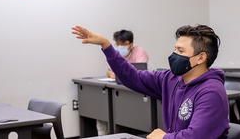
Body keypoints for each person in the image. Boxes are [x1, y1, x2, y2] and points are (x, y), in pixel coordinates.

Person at [71, 24, 229, 139]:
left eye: (180, 51)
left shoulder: (211, 92)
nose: (174, 55)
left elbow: (197, 136)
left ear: (201, 57)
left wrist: (164, 137)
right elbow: (133, 76)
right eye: (174, 49)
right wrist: (106, 45)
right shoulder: (171, 78)